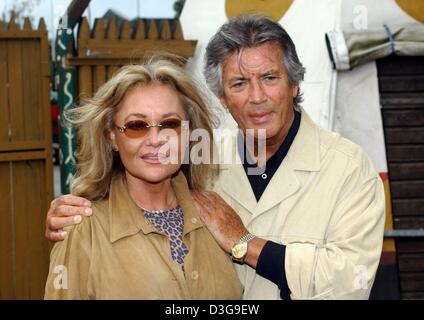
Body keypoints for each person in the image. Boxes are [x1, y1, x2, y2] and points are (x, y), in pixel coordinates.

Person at [45, 15, 386, 300]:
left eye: (269, 78)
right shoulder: (203, 163)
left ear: (295, 83)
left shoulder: (349, 169)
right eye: (238, 84)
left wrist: (245, 244)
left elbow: (350, 284)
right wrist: (76, 212)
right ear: (221, 97)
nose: (256, 97)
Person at [44, 56, 243, 299]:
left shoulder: (217, 213)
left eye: (169, 124)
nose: (155, 139)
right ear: (112, 138)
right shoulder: (82, 231)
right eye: (137, 126)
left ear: (189, 133)